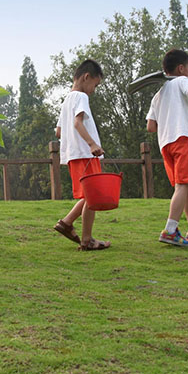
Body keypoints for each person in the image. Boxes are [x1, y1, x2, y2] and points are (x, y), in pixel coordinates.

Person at [146, 49, 188, 247]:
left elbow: (151, 127)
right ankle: (169, 230)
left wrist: (168, 116)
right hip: (182, 138)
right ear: (181, 68)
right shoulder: (181, 81)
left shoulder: (158, 94)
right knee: (184, 185)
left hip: (166, 143)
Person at [53, 59, 111, 251]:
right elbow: (78, 123)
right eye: (95, 84)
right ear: (87, 77)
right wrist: (92, 143)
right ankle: (86, 240)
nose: (94, 90)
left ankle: (68, 223)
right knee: (92, 197)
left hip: (73, 155)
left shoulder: (67, 101)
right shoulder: (81, 97)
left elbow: (59, 131)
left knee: (88, 196)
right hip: (86, 154)